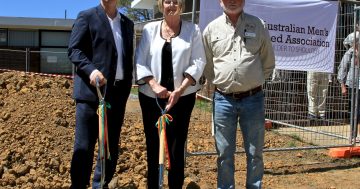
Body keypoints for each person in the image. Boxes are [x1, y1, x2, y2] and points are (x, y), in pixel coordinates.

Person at [202, 0, 275, 188]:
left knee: (255, 153)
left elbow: (268, 62)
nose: (232, 2)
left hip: (253, 100)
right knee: (224, 153)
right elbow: (208, 66)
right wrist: (224, 81)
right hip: (223, 101)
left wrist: (252, 81)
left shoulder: (258, 25)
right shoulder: (211, 29)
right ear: (220, 1)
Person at [135, 0, 206, 188]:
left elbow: (198, 61)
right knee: (153, 146)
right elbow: (140, 61)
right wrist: (154, 85)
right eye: (167, 1)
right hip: (152, 98)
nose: (171, 5)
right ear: (161, 5)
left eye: (176, 1)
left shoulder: (193, 30)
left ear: (181, 5)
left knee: (176, 148)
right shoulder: (150, 29)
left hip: (182, 99)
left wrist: (180, 90)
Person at [67, 0, 134, 188]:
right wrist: (91, 70)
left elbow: (127, 57)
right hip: (90, 95)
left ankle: (101, 185)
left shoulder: (127, 24)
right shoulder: (87, 17)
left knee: (109, 147)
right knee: (84, 148)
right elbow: (74, 50)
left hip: (117, 95)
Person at [337, 35, 360, 143]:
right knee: (354, 111)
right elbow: (343, 68)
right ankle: (352, 134)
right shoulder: (350, 52)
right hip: (353, 85)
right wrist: (342, 85)